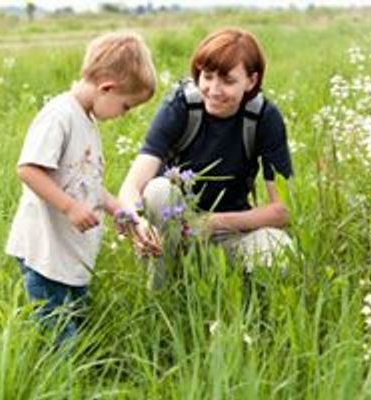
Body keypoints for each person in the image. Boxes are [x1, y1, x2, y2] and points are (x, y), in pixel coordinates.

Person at [5, 31, 156, 344]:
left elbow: (86, 184)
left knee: (77, 324)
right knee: (61, 339)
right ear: (107, 88)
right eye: (126, 106)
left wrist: (118, 209)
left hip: (69, 254)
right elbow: (28, 170)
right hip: (46, 252)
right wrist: (70, 207)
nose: (124, 115)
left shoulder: (87, 120)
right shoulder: (60, 116)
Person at [118, 28, 293, 289]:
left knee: (279, 249)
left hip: (228, 233)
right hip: (172, 231)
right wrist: (139, 221)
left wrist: (212, 224)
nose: (213, 90)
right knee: (158, 189)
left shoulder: (264, 118)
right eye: (207, 76)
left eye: (228, 81)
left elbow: (282, 210)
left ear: (251, 80)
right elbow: (131, 186)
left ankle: (238, 298)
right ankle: (161, 290)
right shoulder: (180, 106)